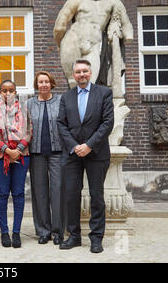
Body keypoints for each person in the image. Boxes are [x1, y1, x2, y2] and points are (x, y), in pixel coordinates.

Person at [57, 59, 114, 254]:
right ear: (73, 75)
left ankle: (96, 238)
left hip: (96, 153)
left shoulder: (104, 93)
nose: (81, 74)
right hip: (72, 154)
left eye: (85, 71)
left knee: (96, 196)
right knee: (71, 195)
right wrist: (75, 146)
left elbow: (107, 123)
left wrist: (89, 145)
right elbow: (61, 125)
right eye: (78, 72)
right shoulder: (66, 97)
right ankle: (73, 236)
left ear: (91, 73)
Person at [53, 0, 133, 90]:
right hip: (73, 40)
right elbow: (59, 27)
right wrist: (60, 45)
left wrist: (125, 33)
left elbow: (127, 27)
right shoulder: (76, 0)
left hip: (93, 43)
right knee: (74, 83)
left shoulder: (111, 3)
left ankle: (87, 106)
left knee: (88, 84)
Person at [0, 80, 32, 248]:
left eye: (11, 90)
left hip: (21, 156)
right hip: (0, 157)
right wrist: (7, 150)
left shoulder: (24, 110)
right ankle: (4, 232)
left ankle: (16, 232)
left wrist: (17, 149)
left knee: (19, 194)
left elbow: (29, 132)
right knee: (3, 194)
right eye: (4, 91)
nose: (7, 93)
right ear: (0, 93)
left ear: (16, 92)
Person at [27, 71, 65, 245]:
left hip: (57, 152)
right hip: (36, 154)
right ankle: (43, 231)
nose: (43, 85)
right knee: (39, 192)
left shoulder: (60, 101)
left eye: (46, 82)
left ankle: (58, 231)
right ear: (36, 85)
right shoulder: (29, 104)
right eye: (40, 82)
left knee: (57, 191)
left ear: (52, 84)